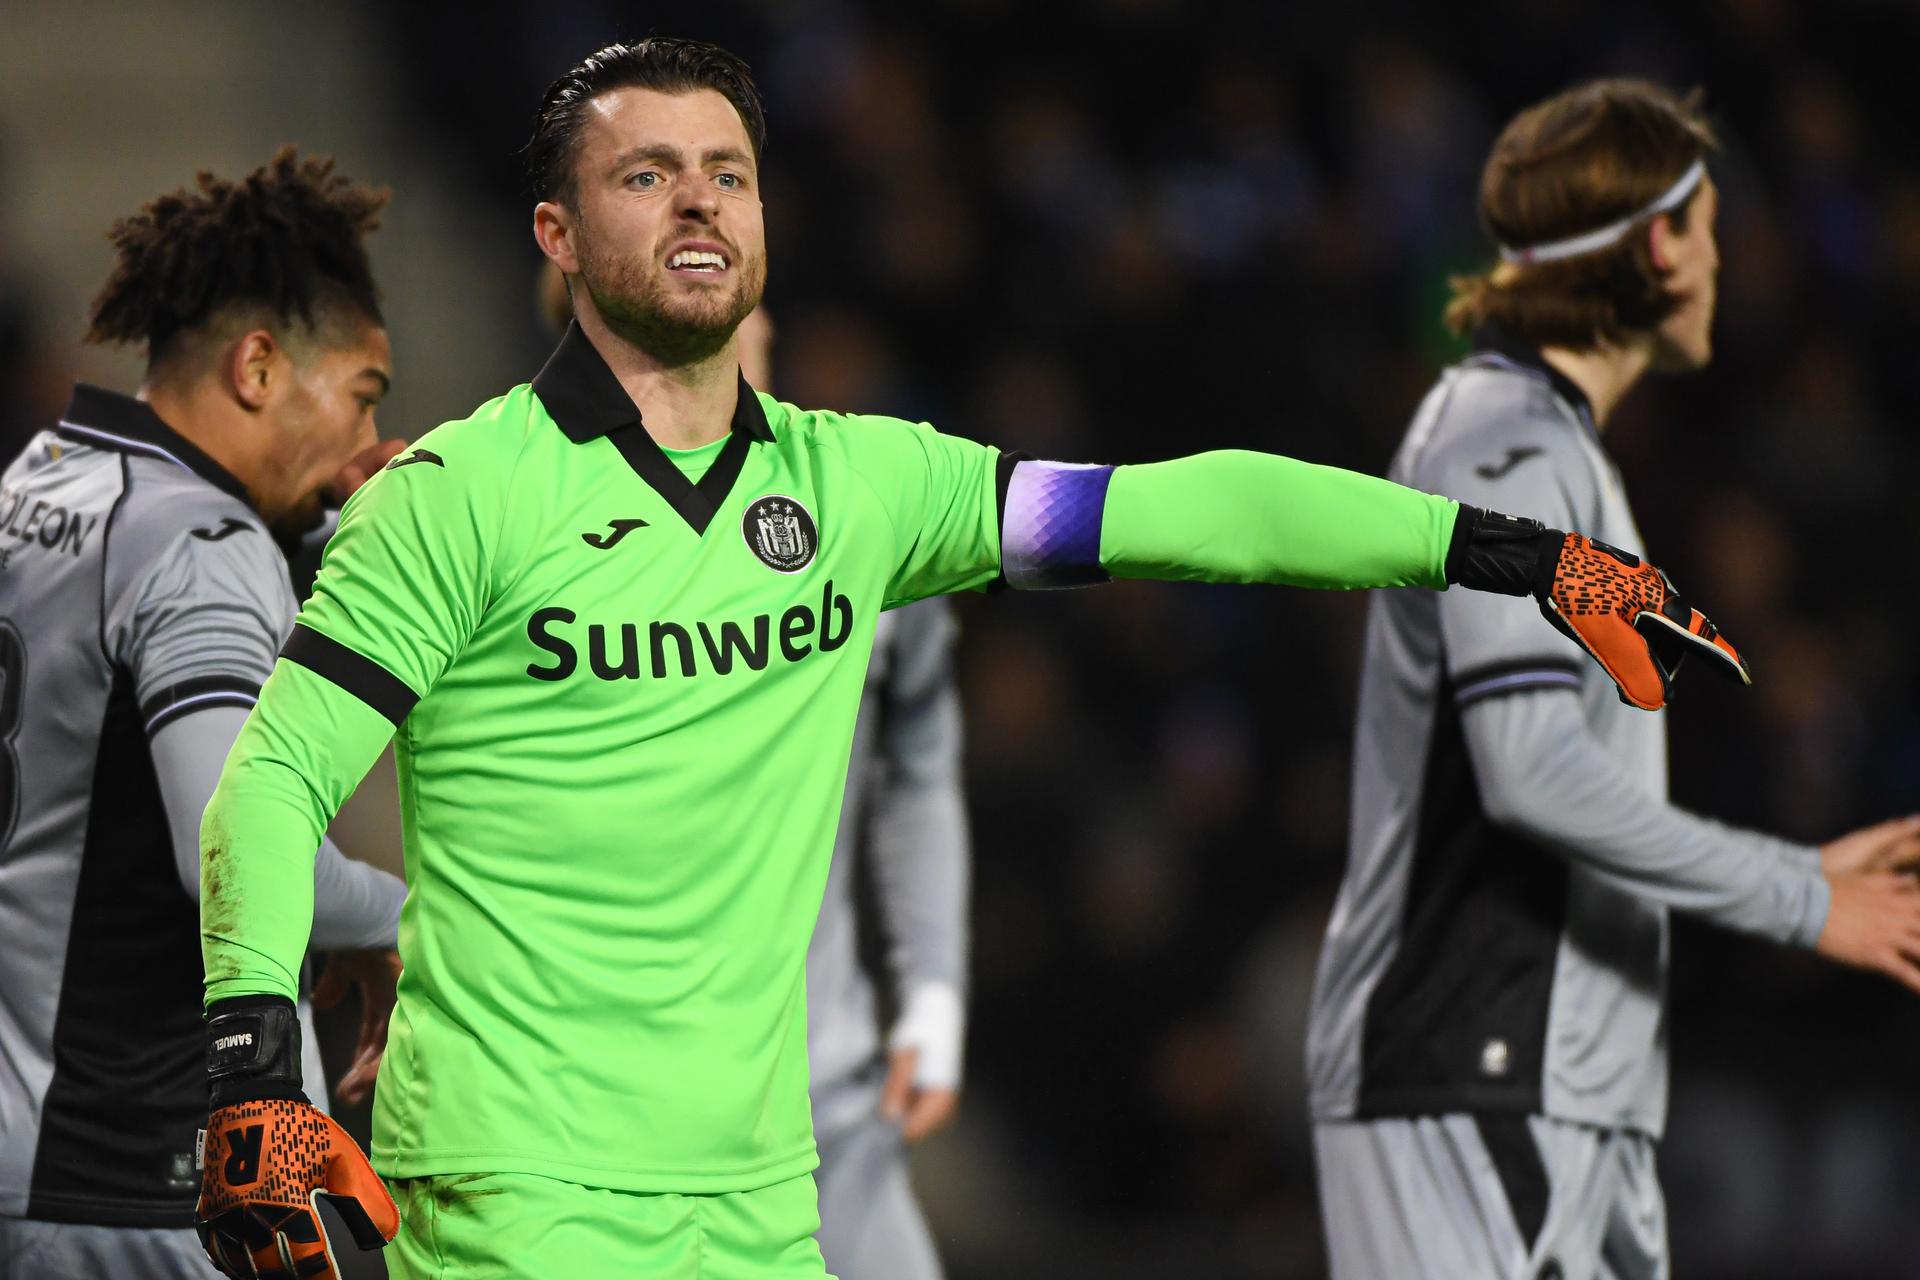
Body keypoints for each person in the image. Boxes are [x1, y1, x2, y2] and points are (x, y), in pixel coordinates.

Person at [191, 41, 1744, 1280]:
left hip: (756, 1204)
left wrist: (1515, 555)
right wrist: (257, 1069)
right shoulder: (458, 500)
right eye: (645, 173)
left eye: (725, 172)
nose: (696, 203)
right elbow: (269, 787)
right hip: (518, 1199)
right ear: (555, 232)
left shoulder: (865, 486)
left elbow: (1183, 511)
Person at [1304, 80, 1920, 1280]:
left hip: (1544, 1080)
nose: (1722, 257)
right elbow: (1531, 771)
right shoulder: (1509, 452)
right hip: (1466, 1065)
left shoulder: (1547, 448)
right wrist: (1795, 892)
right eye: (1705, 226)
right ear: (1653, 244)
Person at [0, 149, 408, 1278]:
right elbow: (233, 846)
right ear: (261, 365)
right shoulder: (204, 546)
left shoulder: (40, 473)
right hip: (122, 1174)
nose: (364, 445)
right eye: (363, 393)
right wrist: (414, 915)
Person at [545, 262, 971, 1278]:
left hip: (830, 1105)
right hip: (617, 1132)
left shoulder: (865, 527)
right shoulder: (518, 543)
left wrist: (936, 983)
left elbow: (916, 765)